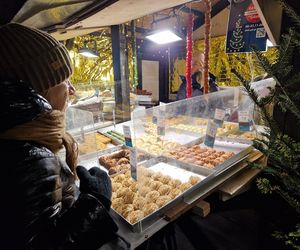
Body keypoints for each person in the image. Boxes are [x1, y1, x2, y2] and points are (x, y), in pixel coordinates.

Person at [0, 23, 119, 250]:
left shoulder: (19, 138)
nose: (72, 90)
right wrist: (95, 202)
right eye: (63, 80)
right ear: (37, 88)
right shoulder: (28, 157)